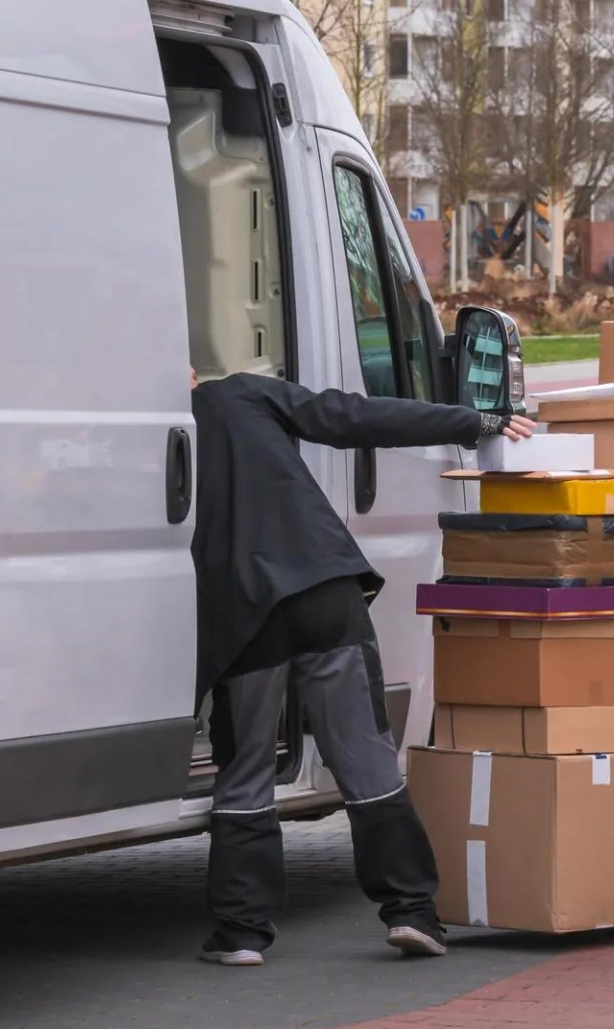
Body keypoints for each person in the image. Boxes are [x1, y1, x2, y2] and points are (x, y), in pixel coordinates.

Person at [189, 368, 533, 967]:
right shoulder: (238, 392)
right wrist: (475, 420)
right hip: (323, 587)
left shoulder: (135, 432)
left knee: (245, 768)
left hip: (245, 608)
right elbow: (352, 416)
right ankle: (411, 913)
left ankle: (243, 932)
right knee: (366, 759)